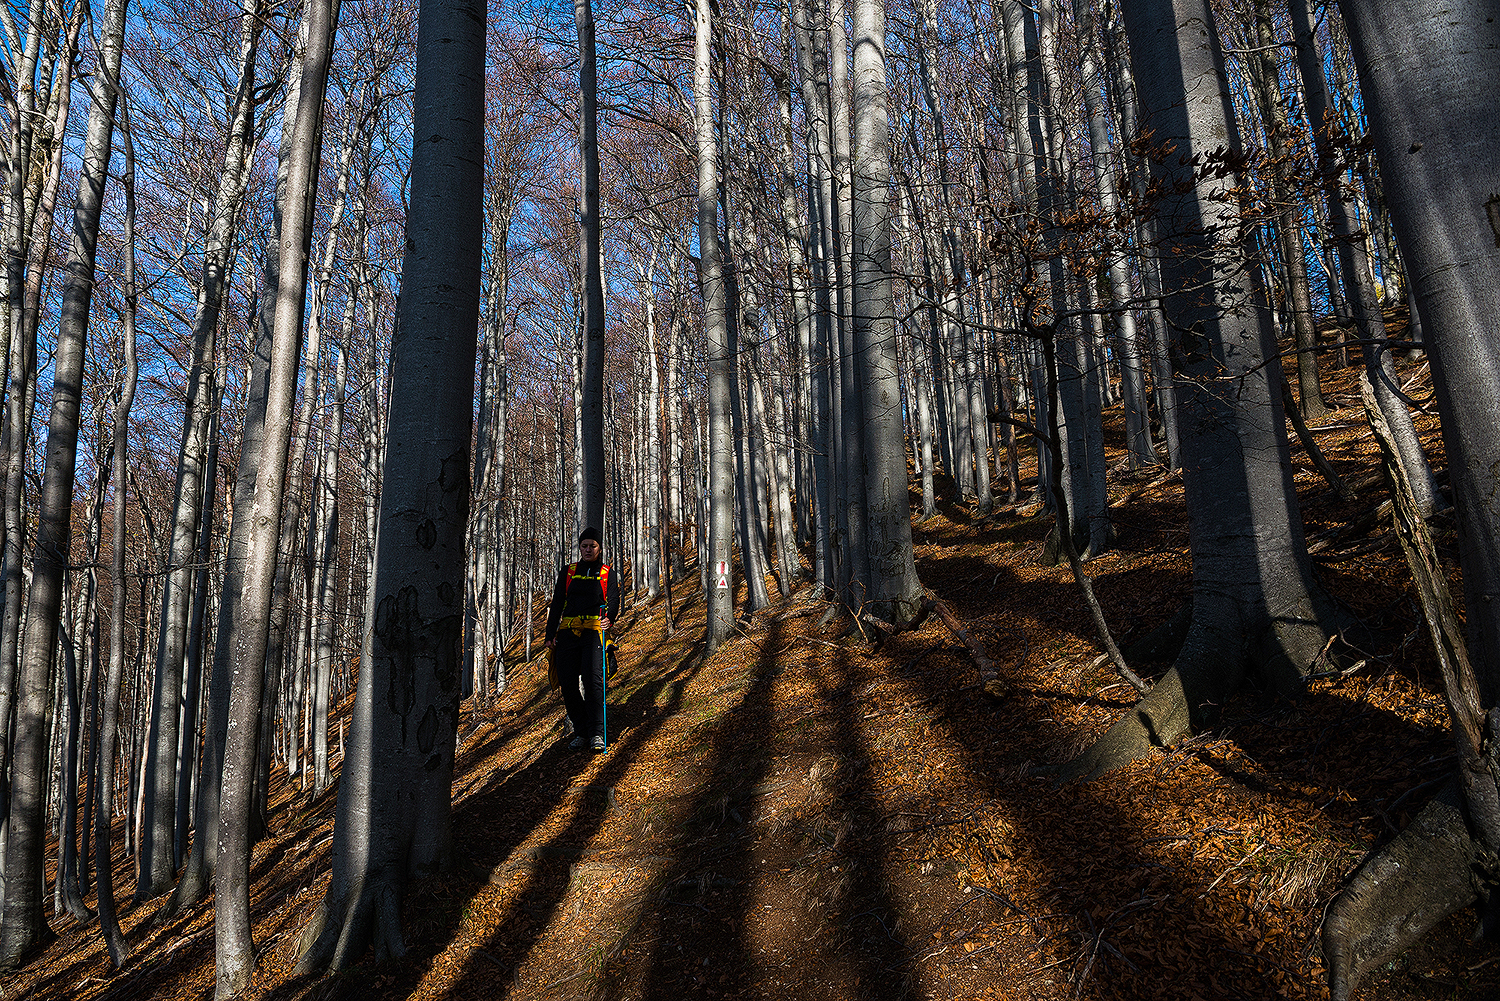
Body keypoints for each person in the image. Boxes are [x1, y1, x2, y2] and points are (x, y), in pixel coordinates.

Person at [545, 527, 619, 752]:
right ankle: (581, 731)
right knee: (567, 683)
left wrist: (610, 619)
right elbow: (557, 603)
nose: (588, 549)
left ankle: (597, 733)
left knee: (592, 681)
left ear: (599, 548)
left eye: (592, 546)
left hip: (594, 632)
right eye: (584, 546)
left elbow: (614, 600)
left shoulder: (607, 573)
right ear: (580, 547)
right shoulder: (568, 571)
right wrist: (549, 635)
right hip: (567, 633)